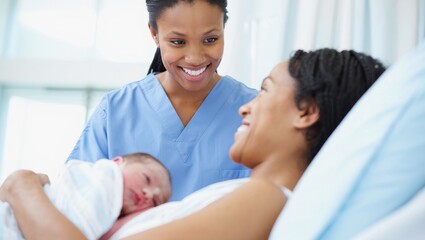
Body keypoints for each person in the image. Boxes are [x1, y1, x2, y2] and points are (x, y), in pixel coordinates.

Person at [0, 49, 385, 239]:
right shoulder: (251, 194)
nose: (245, 107)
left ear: (306, 112)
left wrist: (21, 185)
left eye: (266, 91)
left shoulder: (268, 196)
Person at [67, 0, 257, 201]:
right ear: (154, 34)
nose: (194, 58)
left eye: (210, 40)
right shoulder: (115, 111)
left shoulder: (256, 111)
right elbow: (75, 203)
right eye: (178, 42)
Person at [0, 152, 172, 240]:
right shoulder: (103, 177)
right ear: (117, 162)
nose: (148, 194)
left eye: (156, 202)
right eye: (146, 179)